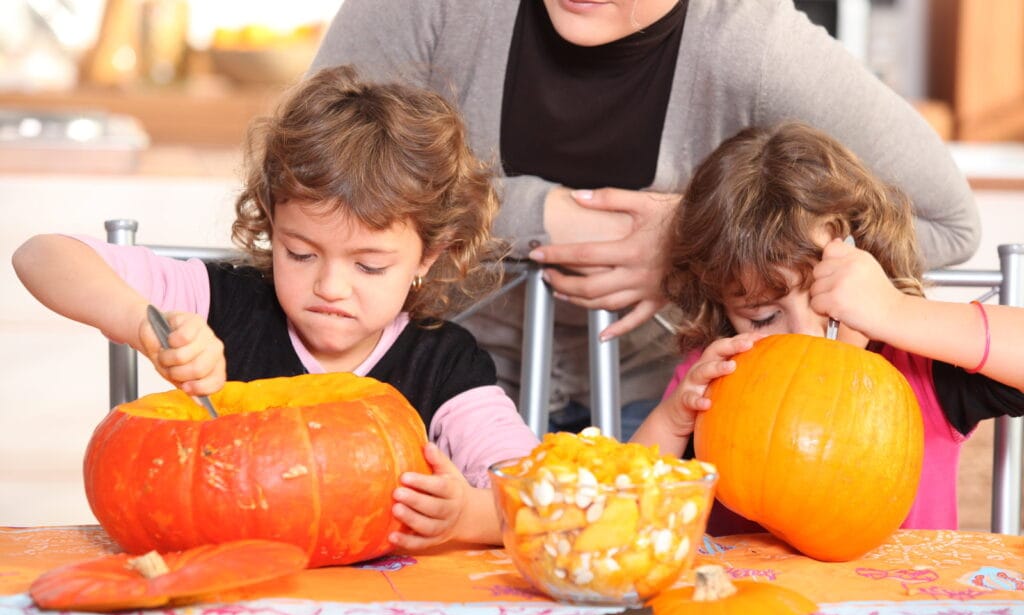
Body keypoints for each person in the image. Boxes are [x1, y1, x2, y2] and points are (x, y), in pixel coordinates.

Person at [309, 0, 982, 439]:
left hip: (662, 404)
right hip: (430, 383)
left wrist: (696, 238)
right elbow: (309, 175)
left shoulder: (753, 43)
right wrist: (540, 215)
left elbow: (947, 221)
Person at [12, 64, 539, 551]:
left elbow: (536, 499)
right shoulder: (223, 302)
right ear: (271, 224)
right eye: (301, 254)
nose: (330, 287)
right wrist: (144, 325)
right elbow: (41, 256)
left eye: (369, 266)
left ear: (429, 255)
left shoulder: (446, 366)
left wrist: (466, 516)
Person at [631, 121, 1024, 532]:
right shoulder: (716, 372)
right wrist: (672, 422)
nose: (806, 334)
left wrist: (895, 311)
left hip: (901, 578)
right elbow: (625, 520)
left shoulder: (921, 365)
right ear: (719, 302)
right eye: (763, 317)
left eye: (831, 302)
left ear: (869, 266)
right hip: (743, 577)